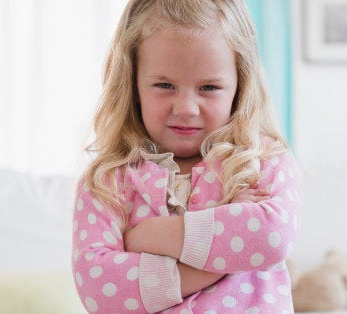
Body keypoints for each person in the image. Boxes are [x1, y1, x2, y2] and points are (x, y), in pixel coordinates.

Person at [72, 0, 302, 312]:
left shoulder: (262, 161)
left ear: (240, 85)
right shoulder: (106, 181)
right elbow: (99, 288)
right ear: (133, 84)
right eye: (164, 85)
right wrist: (222, 251)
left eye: (208, 87)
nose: (185, 108)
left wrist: (152, 236)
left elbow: (271, 236)